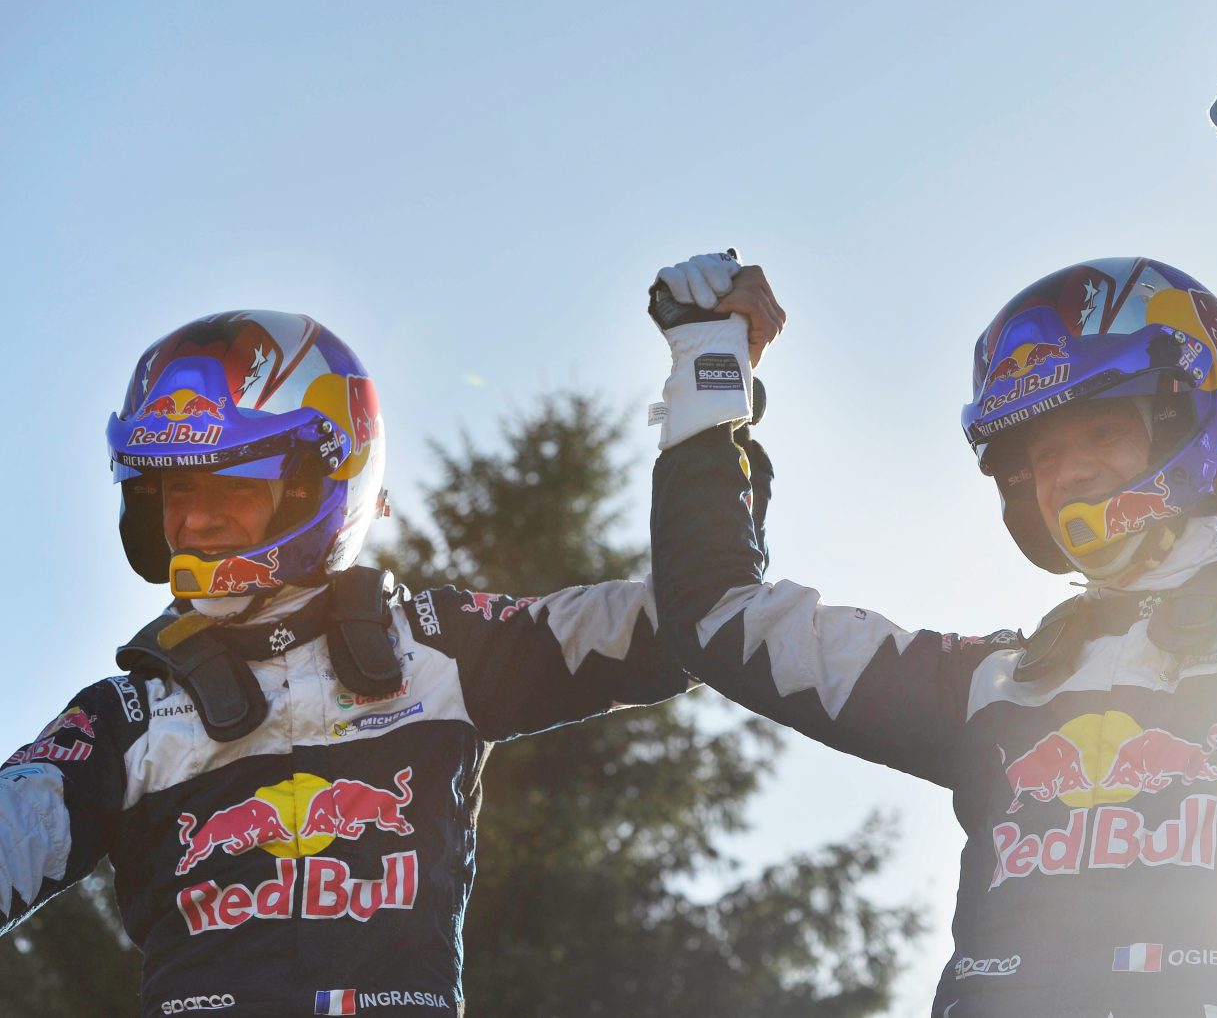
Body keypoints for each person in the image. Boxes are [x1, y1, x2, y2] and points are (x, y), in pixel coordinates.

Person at [647, 54, 1217, 1017]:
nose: (1066, 472)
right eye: (1040, 454)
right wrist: (710, 368)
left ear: (1193, 415)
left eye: (1101, 429)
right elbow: (714, 615)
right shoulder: (995, 682)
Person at [0, 311, 715, 1016]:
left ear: (315, 483)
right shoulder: (123, 718)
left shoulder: (442, 649)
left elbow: (693, 618)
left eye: (232, 482)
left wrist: (712, 379)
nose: (195, 519)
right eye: (176, 489)